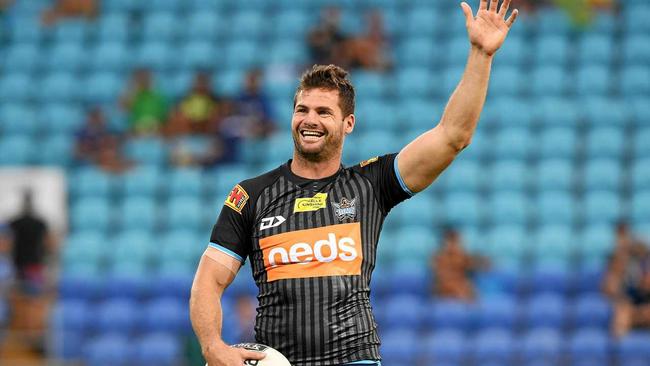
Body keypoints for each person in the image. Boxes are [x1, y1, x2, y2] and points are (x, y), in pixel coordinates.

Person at [190, 1, 518, 364]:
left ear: (348, 123)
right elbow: (208, 280)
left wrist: (480, 55)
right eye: (302, 110)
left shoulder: (370, 183)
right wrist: (212, 345)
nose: (309, 120)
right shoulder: (250, 195)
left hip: (354, 358)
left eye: (323, 112)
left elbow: (452, 136)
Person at [7, 191, 57, 350]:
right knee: (31, 301)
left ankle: (27, 336)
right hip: (33, 267)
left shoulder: (13, 222)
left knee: (25, 301)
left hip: (20, 267)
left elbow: (7, 244)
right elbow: (49, 244)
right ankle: (26, 336)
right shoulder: (40, 222)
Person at [602, 222, 650, 337]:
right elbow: (608, 290)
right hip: (630, 302)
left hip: (645, 300)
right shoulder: (615, 262)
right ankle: (617, 351)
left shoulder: (643, 257)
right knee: (622, 314)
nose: (622, 242)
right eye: (620, 239)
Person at [431, 228, 489, 301]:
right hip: (443, 288)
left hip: (461, 286)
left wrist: (482, 261)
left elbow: (483, 265)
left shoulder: (463, 255)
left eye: (456, 242)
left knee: (471, 292)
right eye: (450, 242)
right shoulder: (438, 257)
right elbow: (440, 276)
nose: (453, 245)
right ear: (445, 242)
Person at [120, 69, 169, 136]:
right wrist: (132, 92)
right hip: (135, 132)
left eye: (145, 78)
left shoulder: (159, 95)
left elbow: (165, 115)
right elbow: (123, 109)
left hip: (156, 131)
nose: (143, 81)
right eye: (140, 79)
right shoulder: (132, 95)